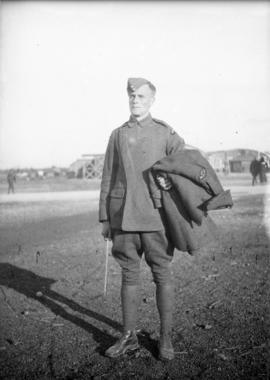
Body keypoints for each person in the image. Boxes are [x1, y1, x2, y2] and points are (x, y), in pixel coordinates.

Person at [99, 77, 185, 360]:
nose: (136, 100)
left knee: (162, 273)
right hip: (123, 216)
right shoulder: (118, 134)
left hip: (155, 216)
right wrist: (104, 218)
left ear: (152, 100)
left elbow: (183, 164)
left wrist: (170, 183)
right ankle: (128, 336)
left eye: (141, 96)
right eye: (132, 96)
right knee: (128, 274)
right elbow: (108, 177)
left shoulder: (165, 133)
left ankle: (166, 338)